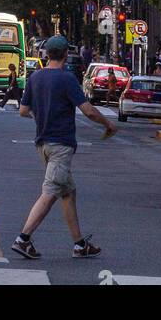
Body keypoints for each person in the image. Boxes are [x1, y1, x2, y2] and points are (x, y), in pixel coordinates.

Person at [13, 34, 117, 260]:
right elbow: (88, 110)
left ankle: (79, 244)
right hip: (61, 144)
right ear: (66, 55)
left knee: (68, 192)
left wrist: (41, 117)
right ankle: (24, 238)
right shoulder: (67, 78)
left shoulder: (35, 77)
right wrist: (108, 123)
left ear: (46, 54)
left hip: (42, 144)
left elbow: (23, 111)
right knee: (50, 192)